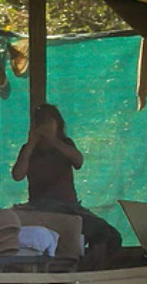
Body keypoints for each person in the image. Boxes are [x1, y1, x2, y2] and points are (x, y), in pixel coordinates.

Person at [12, 103, 123, 266]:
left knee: (109, 236)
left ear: (58, 124)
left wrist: (53, 140)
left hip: (69, 207)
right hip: (41, 208)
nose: (45, 126)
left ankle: (91, 269)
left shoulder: (65, 144)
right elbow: (17, 175)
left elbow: (78, 161)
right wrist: (31, 143)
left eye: (49, 122)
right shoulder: (29, 149)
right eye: (40, 123)